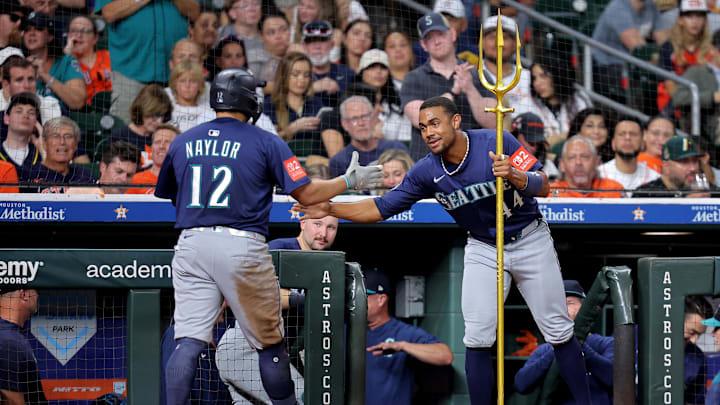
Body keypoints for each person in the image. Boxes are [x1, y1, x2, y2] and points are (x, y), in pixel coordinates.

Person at [294, 96, 597, 405]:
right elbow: (382, 207)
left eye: (435, 123)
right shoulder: (426, 171)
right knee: (477, 337)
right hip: (483, 246)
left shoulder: (496, 141)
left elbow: (543, 185)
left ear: (455, 121)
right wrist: (331, 207)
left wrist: (515, 176)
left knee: (558, 331)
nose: (428, 132)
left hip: (530, 237)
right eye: (423, 127)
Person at [154, 67, 382, 405]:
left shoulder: (184, 139)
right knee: (269, 345)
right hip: (241, 242)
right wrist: (348, 182)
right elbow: (305, 195)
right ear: (249, 100)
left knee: (187, 340)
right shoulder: (264, 140)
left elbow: (171, 195)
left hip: (191, 241)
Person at [215, 215, 340, 403]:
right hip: (246, 349)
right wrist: (307, 297)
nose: (323, 233)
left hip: (273, 354)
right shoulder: (279, 249)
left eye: (331, 227)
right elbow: (259, 293)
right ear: (303, 223)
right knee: (307, 399)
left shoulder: (326, 265)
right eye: (317, 224)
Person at [400, 12, 496, 162]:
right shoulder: (413, 79)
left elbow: (494, 123)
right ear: (423, 45)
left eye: (440, 34)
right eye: (429, 38)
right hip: (429, 168)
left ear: (452, 34)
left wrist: (470, 89)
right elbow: (421, 120)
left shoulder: (478, 75)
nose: (436, 41)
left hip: (473, 163)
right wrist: (454, 91)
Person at [95, 0, 198, 124]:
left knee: (176, 133)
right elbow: (109, 13)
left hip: (175, 73)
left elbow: (194, 12)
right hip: (131, 70)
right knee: (126, 132)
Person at [514, 280, 614, 405]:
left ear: (584, 308)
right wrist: (558, 347)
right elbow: (521, 385)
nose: (562, 309)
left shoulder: (605, 344)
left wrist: (578, 345)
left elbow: (615, 379)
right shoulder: (546, 349)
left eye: (569, 303)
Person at [364, 268, 454, 405]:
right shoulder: (349, 330)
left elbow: (445, 356)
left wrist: (402, 346)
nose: (356, 302)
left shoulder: (402, 333)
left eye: (363, 296)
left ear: (381, 299)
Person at [591, 0, 669, 102]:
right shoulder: (618, 7)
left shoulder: (651, 6)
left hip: (633, 65)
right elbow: (638, 49)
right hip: (608, 66)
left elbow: (665, 43)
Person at [517, 55, 592, 147]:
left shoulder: (578, 100)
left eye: (543, 76)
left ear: (557, 75)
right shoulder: (528, 104)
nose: (537, 83)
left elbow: (590, 133)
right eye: (534, 78)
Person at [329, 95, 408, 176]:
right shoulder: (339, 161)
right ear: (344, 124)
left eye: (365, 116)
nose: (361, 123)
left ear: (373, 118)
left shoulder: (397, 148)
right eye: (354, 119)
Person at [23, 11, 87, 110]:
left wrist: (45, 76)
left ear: (50, 36)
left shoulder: (66, 62)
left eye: (39, 29)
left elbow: (78, 102)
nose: (31, 33)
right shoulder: (17, 62)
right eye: (27, 30)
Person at [657, 0, 712, 114]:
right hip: (674, 106)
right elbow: (672, 89)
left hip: (705, 105)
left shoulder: (712, 49)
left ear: (705, 21)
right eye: (689, 16)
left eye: (699, 16)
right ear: (680, 20)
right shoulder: (668, 48)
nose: (695, 21)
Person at [265, 52, 324, 148]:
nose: (302, 80)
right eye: (295, 75)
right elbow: (267, 144)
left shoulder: (316, 103)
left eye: (306, 75)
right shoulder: (270, 105)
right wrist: (292, 129)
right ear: (284, 76)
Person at [477, 15, 532, 117]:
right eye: (492, 37)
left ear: (515, 44)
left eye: (504, 38)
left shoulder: (529, 78)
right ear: (482, 43)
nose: (498, 43)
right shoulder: (472, 76)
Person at [0, 285, 46, 404]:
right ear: (24, 294)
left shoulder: (8, 335)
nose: (38, 296)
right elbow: (12, 400)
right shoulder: (8, 340)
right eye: (36, 291)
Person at [672, 30, 720, 143]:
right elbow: (678, 98)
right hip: (709, 128)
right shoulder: (697, 72)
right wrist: (712, 97)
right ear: (713, 49)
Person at [354, 49, 412, 142]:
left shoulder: (398, 106)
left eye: (383, 67)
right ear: (362, 73)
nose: (378, 71)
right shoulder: (350, 104)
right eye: (372, 67)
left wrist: (383, 142)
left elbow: (406, 143)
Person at [110, 83, 173, 169]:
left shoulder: (166, 138)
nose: (158, 121)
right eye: (152, 114)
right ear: (141, 111)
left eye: (160, 115)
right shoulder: (120, 137)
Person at [26, 116, 95, 193]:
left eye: (68, 136)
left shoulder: (84, 177)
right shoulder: (28, 175)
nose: (62, 142)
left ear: (76, 145)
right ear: (44, 144)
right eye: (55, 136)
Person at [635, 135, 718, 197]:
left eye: (695, 160)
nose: (693, 168)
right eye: (684, 162)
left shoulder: (708, 191)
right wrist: (687, 206)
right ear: (666, 166)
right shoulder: (646, 194)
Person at [550, 136, 625, 198]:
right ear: (562, 165)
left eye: (585, 157)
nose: (578, 162)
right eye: (572, 157)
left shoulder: (614, 190)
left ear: (596, 162)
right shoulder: (551, 193)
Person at [302, 20, 355, 107]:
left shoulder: (348, 74)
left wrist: (339, 92)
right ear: (304, 46)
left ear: (332, 44)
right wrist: (311, 89)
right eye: (311, 41)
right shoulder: (294, 74)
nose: (317, 46)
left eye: (322, 40)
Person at [597, 118, 660, 191]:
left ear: (642, 144)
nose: (627, 138)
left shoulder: (654, 178)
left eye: (633, 134)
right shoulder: (598, 175)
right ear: (613, 143)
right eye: (622, 134)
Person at [0, 55, 62, 124]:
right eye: (19, 80)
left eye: (31, 79)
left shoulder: (54, 107)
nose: (27, 85)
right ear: (6, 85)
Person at [65, 15, 112, 106]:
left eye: (85, 31)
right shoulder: (66, 62)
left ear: (95, 38)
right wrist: (67, 55)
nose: (78, 35)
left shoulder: (109, 56)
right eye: (74, 31)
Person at [413, 0, 474, 67]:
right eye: (441, 20)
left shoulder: (475, 53)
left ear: (464, 24)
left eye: (451, 19)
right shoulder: (418, 51)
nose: (446, 25)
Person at [126, 124, 180, 194]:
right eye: (157, 142)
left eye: (168, 142)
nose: (161, 146)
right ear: (151, 147)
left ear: (177, 148)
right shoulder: (135, 180)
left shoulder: (184, 179)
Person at [1, 92, 43, 181]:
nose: (25, 116)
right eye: (19, 111)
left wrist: (45, 149)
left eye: (31, 113)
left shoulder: (41, 154)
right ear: (6, 118)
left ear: (36, 122)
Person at [216, 0, 265, 76]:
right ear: (232, 13)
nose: (252, 9)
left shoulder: (268, 39)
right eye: (245, 5)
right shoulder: (218, 34)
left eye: (256, 4)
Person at [166, 60, 215, 132]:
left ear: (200, 85)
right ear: (175, 84)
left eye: (193, 81)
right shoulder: (166, 110)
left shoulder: (209, 111)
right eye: (182, 81)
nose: (187, 85)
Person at [511, 112, 560, 181]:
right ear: (515, 136)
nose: (534, 147)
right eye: (530, 142)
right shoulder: (502, 162)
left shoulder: (548, 166)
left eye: (538, 142)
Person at [683, 295, 713, 405]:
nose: (694, 340)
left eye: (699, 335)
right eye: (692, 332)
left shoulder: (697, 358)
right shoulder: (636, 342)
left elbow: (696, 401)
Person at [256, 13, 291, 95]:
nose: (278, 36)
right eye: (271, 32)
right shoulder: (254, 60)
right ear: (261, 36)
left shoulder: (299, 54)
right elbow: (256, 87)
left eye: (283, 30)